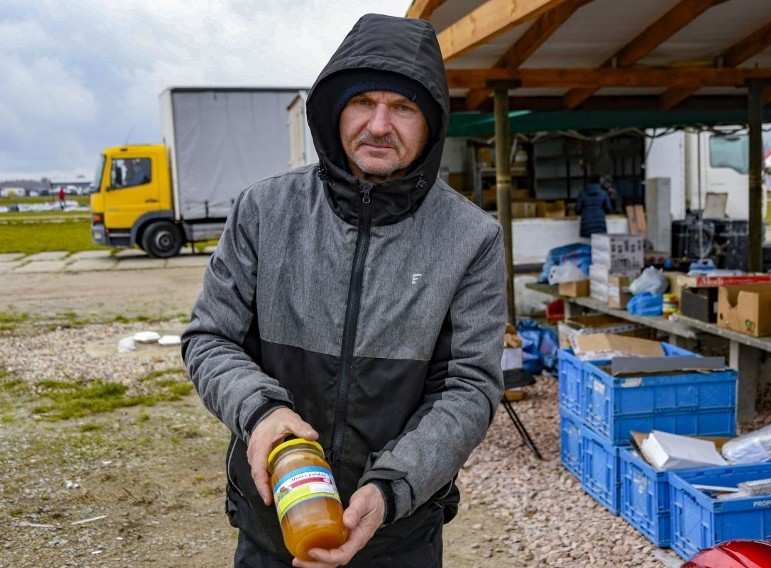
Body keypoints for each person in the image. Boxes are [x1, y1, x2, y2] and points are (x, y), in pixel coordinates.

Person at [181, 13, 507, 568]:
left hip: (399, 530)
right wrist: (261, 413)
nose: (379, 125)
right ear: (335, 112)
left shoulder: (472, 237)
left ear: (431, 124)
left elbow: (470, 387)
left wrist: (389, 489)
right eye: (364, 103)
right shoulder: (264, 211)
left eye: (403, 108)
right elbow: (209, 339)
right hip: (273, 520)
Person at [574, 173, 613, 238]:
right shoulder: (603, 193)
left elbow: (577, 209)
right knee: (599, 244)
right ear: (599, 182)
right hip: (600, 222)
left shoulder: (582, 193)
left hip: (586, 224)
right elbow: (609, 208)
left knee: (588, 244)